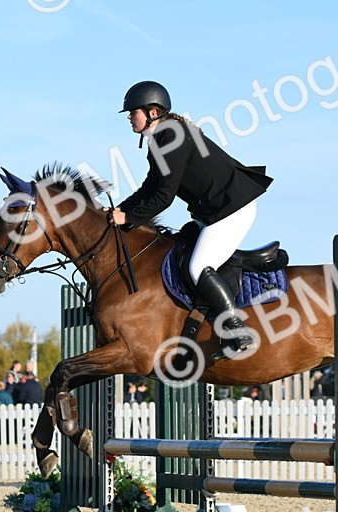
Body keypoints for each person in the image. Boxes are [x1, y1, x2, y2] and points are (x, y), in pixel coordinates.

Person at [110, 80, 273, 358]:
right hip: (216, 210)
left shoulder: (170, 136)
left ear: (152, 112)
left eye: (132, 111)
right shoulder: (163, 137)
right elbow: (151, 186)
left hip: (232, 208)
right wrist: (119, 211)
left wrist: (129, 217)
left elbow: (164, 196)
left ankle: (237, 330)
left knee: (199, 266)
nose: (128, 116)